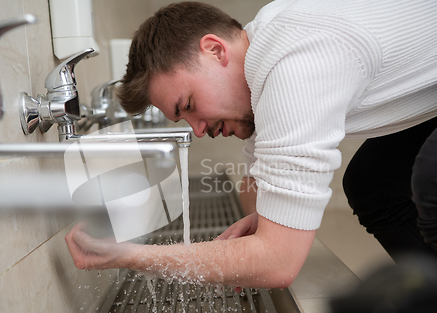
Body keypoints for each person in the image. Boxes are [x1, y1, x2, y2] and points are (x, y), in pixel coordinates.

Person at [65, 0, 437, 289]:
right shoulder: (261, 62)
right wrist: (263, 223)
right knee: (373, 185)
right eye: (184, 119)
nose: (197, 130)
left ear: (214, 50)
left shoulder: (295, 66)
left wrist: (131, 255)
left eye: (190, 105)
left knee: (430, 181)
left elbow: (279, 264)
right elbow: (255, 183)